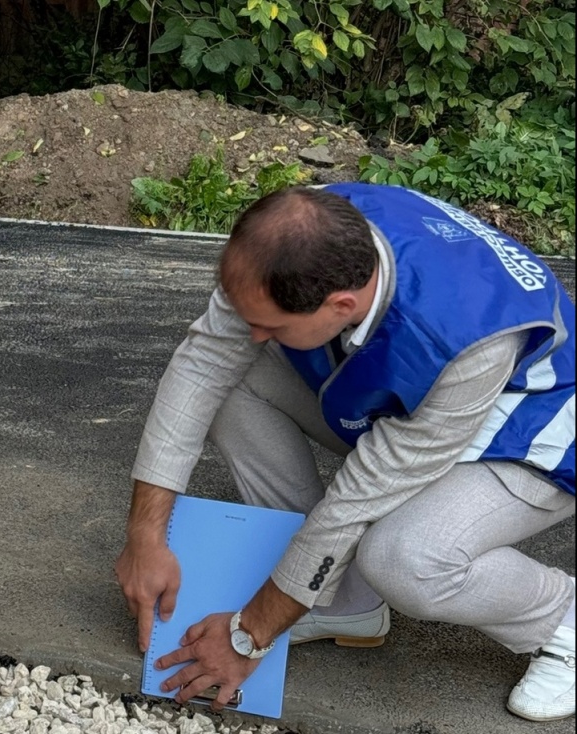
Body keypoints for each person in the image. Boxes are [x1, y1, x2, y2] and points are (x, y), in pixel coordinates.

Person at [115, 183, 575, 721]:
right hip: (420, 405)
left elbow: (357, 498)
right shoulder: (295, 236)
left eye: (272, 326)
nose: (254, 334)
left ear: (342, 305)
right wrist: (144, 535)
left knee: (405, 558)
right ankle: (343, 603)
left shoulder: (464, 339)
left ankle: (561, 618)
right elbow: (201, 366)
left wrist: (248, 637)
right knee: (229, 383)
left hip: (535, 431)